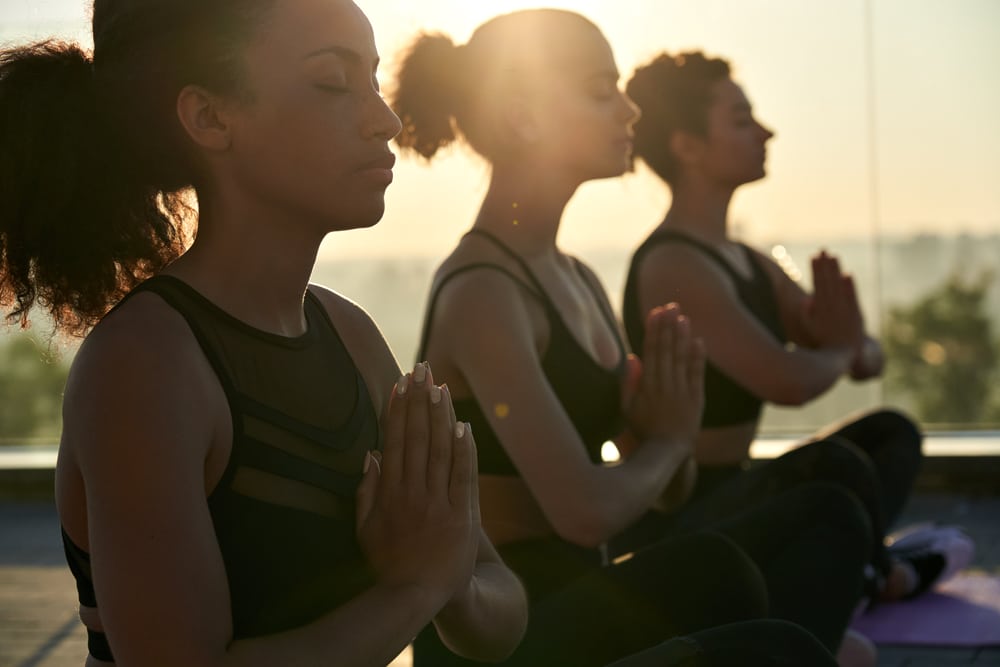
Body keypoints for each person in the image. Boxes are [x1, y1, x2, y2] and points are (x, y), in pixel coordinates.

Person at [0, 1, 531, 664]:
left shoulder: (351, 333)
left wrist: (445, 571)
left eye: (373, 80)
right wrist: (420, 583)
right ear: (210, 116)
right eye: (335, 83)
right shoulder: (145, 365)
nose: (385, 120)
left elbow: (500, 609)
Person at [391, 10, 868, 666]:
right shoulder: (483, 292)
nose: (629, 112)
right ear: (524, 116)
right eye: (600, 91)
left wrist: (665, 434)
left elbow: (664, 487)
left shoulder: (577, 277)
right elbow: (583, 511)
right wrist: (670, 439)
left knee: (827, 509)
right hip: (504, 632)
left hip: (583, 588)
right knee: (725, 578)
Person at [622, 50, 972, 609]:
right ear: (686, 146)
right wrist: (839, 347)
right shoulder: (674, 265)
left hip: (738, 485)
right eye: (741, 120)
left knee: (891, 432)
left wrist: (843, 344)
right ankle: (876, 578)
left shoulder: (746, 260)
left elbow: (863, 360)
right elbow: (788, 381)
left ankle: (860, 577)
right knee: (835, 465)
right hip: (686, 513)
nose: (767, 131)